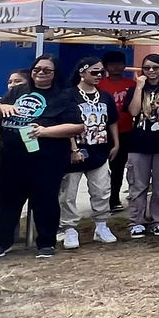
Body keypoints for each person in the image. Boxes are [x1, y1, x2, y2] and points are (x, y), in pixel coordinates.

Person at [0, 56, 85, 259]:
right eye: (37, 69)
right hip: (12, 157)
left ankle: (46, 243)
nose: (40, 73)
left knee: (45, 200)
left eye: (46, 70)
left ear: (55, 73)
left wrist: (44, 131)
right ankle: (2, 243)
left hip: (46, 159)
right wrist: (0, 109)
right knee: (7, 200)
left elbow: (77, 126)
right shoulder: (17, 91)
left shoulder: (64, 95)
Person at [58, 56, 121, 249]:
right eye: (94, 72)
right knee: (69, 192)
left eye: (102, 72)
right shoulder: (68, 95)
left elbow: (112, 121)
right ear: (82, 72)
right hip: (74, 152)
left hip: (99, 150)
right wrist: (73, 149)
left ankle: (101, 225)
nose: (99, 76)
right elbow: (64, 123)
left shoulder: (104, 96)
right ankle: (69, 228)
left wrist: (116, 143)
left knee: (102, 190)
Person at [125, 55, 159, 236]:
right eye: (147, 68)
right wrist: (139, 87)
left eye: (155, 67)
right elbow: (133, 111)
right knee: (137, 185)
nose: (151, 71)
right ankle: (136, 221)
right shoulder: (135, 88)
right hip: (138, 143)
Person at [96, 51, 136, 212]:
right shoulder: (99, 85)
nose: (116, 67)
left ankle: (114, 199)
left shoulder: (132, 85)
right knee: (99, 169)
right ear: (105, 67)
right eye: (112, 64)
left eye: (119, 63)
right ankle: (100, 200)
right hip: (101, 132)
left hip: (126, 131)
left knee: (118, 168)